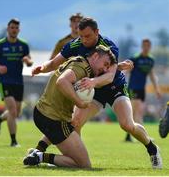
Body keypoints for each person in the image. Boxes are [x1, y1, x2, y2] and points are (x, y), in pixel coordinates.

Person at [31, 17, 162, 169]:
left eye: (87, 36)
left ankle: (152, 149)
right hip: (93, 91)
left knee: (127, 124)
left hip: (115, 87)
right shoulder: (75, 44)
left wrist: (93, 81)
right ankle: (71, 158)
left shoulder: (109, 46)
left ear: (97, 32)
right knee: (75, 122)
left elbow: (110, 76)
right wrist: (42, 68)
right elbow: (54, 62)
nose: (83, 40)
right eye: (81, 36)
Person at [23, 45, 117, 168]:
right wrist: (79, 102)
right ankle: (39, 157)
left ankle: (37, 151)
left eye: (107, 67)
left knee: (70, 124)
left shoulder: (78, 60)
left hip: (43, 112)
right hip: (53, 119)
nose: (105, 69)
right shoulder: (82, 68)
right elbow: (62, 81)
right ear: (95, 56)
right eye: (105, 64)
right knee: (83, 165)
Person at [0, 18, 33, 147]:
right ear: (8, 29)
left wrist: (27, 61)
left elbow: (29, 61)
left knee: (16, 113)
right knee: (13, 110)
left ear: (19, 30)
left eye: (16, 28)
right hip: (5, 81)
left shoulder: (23, 45)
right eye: (12, 28)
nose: (14, 30)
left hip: (18, 82)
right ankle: (13, 141)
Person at [125, 39, 161, 142]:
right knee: (138, 112)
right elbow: (127, 71)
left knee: (133, 113)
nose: (146, 47)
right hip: (133, 88)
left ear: (150, 47)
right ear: (142, 46)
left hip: (142, 89)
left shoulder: (150, 60)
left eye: (148, 46)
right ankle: (145, 137)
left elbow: (152, 75)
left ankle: (128, 136)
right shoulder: (135, 58)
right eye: (144, 45)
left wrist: (157, 89)